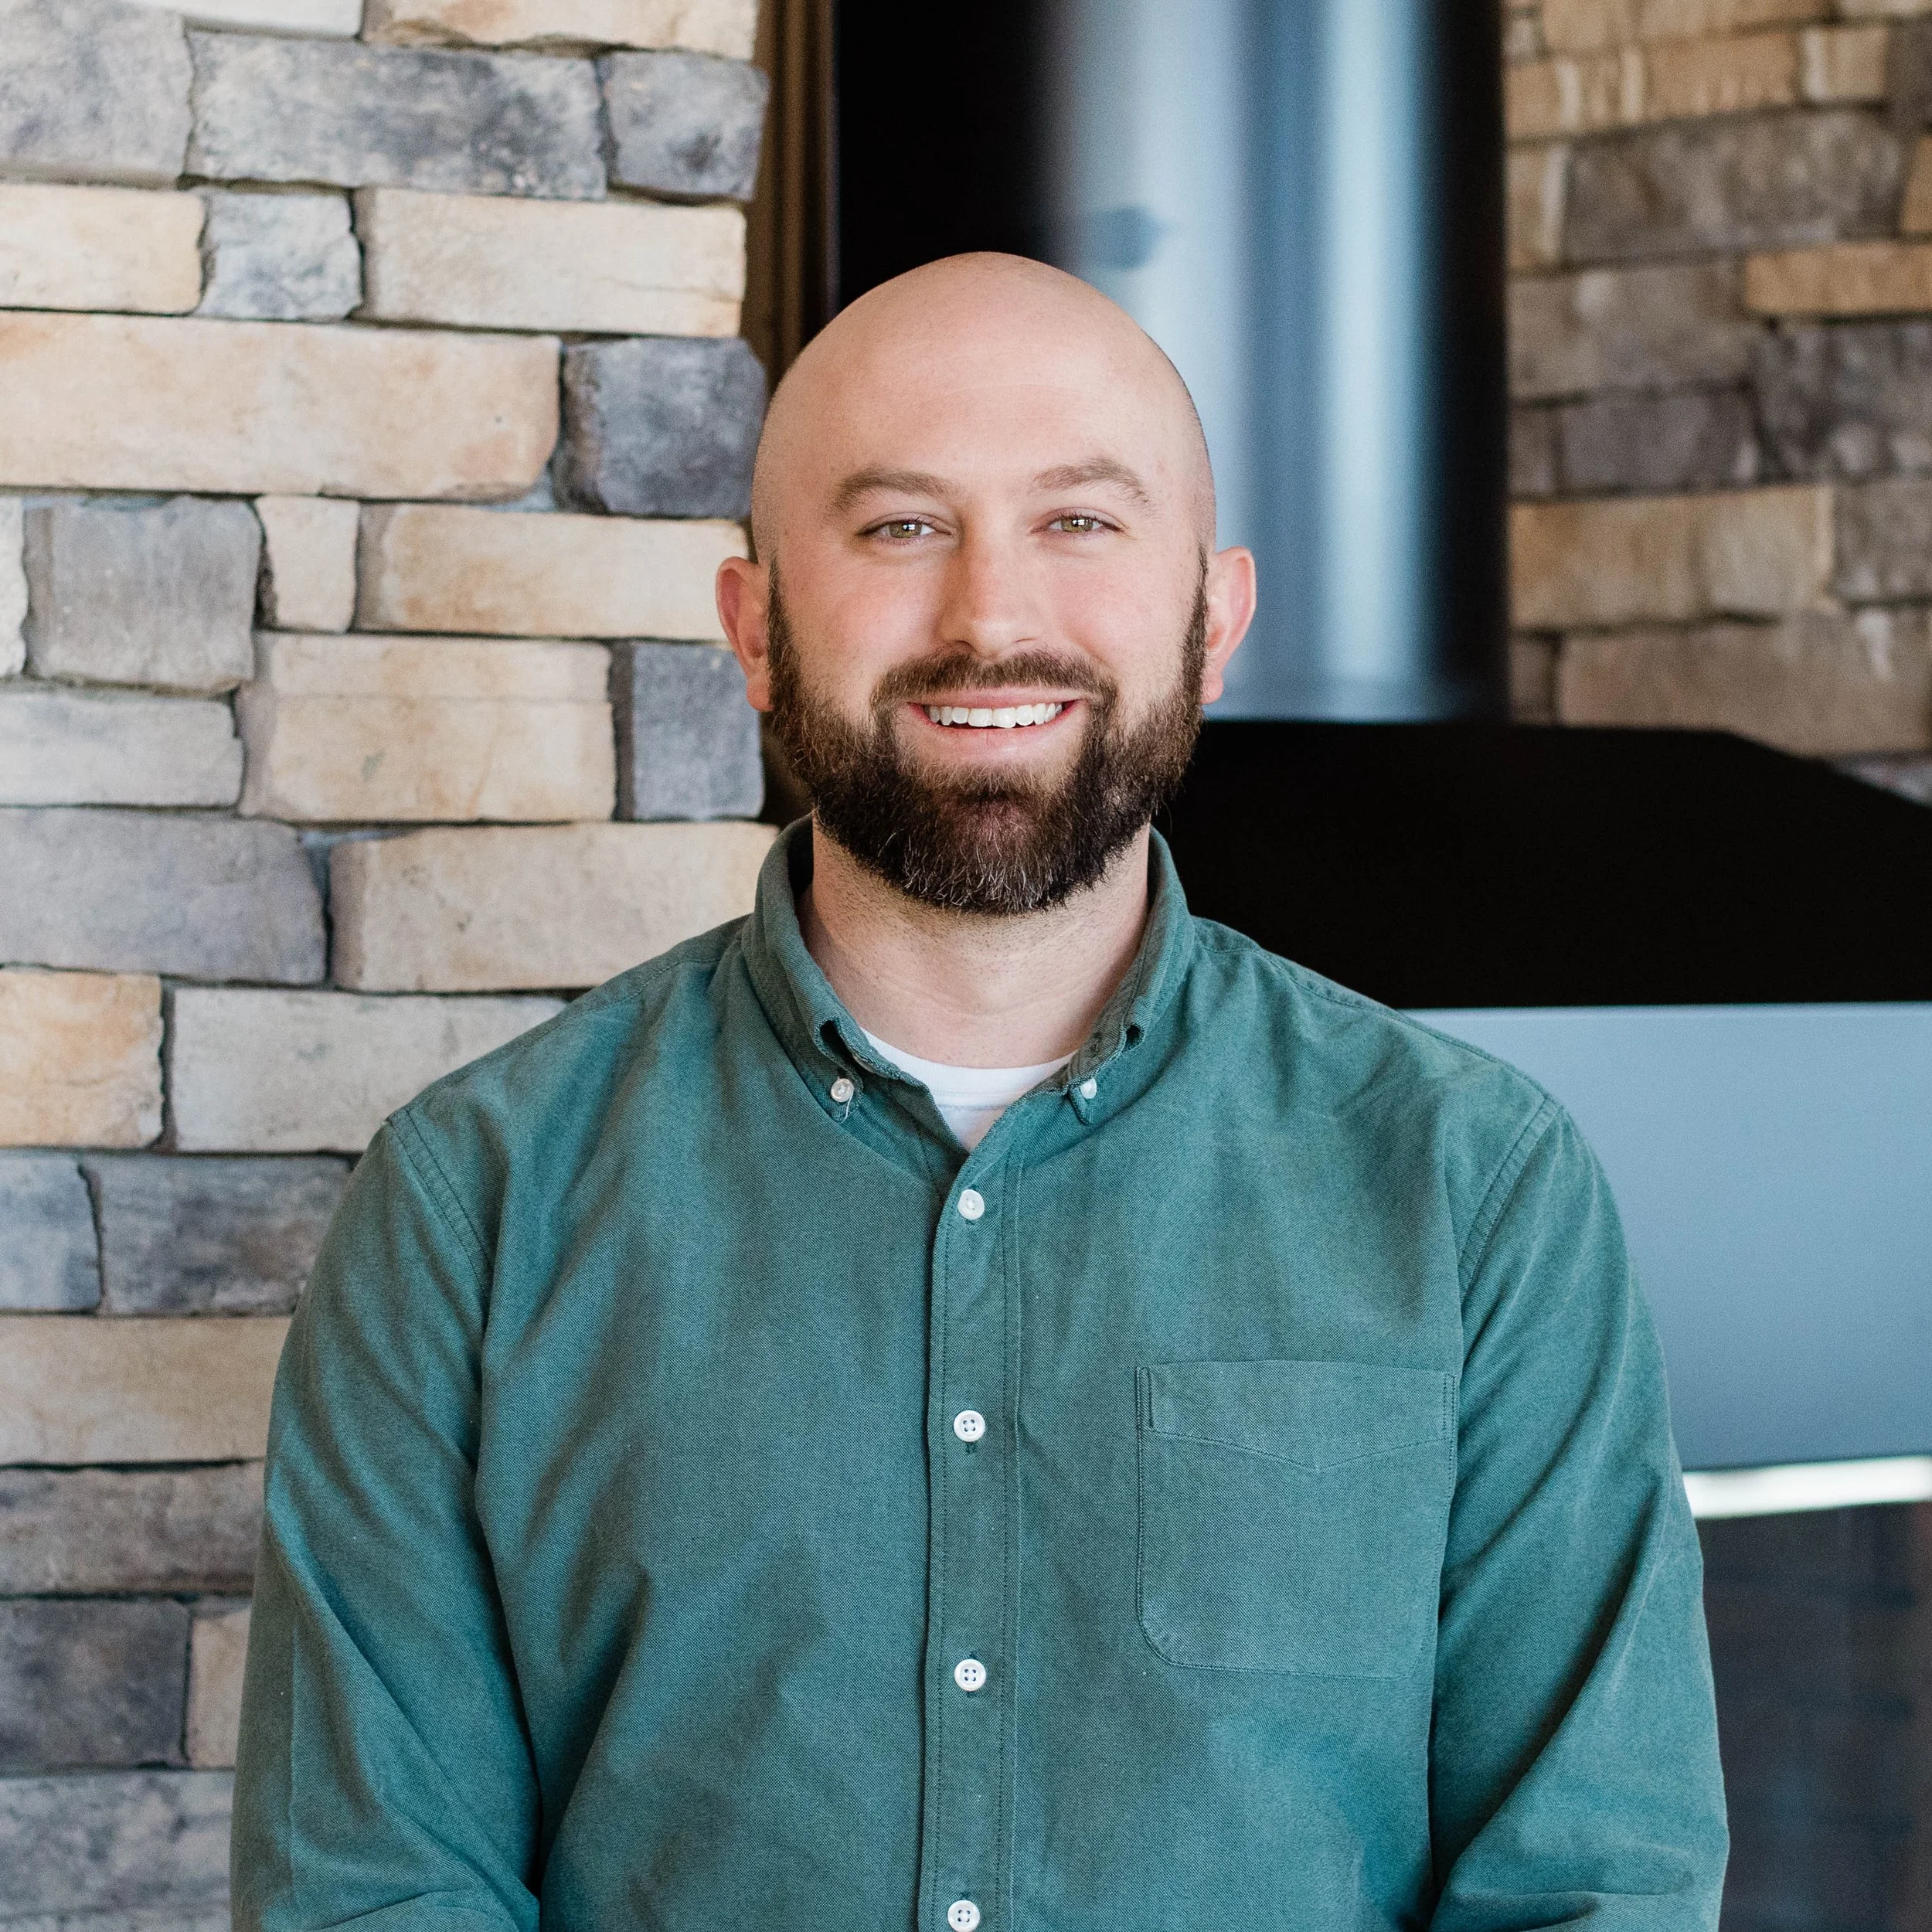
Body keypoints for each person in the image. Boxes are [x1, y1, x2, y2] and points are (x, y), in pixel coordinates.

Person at [233, 253, 1728, 1930]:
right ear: (754, 629)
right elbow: (372, 1891)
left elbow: (1593, 1883)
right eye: (899, 527)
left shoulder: (1476, 1188)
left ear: (1213, 620)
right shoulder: (471, 1206)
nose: (989, 617)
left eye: (1078, 521)